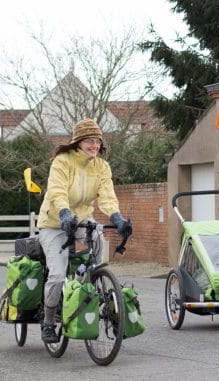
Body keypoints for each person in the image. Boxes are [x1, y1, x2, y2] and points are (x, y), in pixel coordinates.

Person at [37, 118, 131, 343]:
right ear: (78, 142)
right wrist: (63, 213)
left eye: (98, 141)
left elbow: (107, 196)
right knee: (58, 274)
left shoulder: (101, 166)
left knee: (98, 238)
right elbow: (57, 191)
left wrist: (117, 217)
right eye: (90, 141)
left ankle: (86, 279)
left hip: (82, 220)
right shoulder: (62, 161)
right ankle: (48, 321)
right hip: (53, 223)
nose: (95, 146)